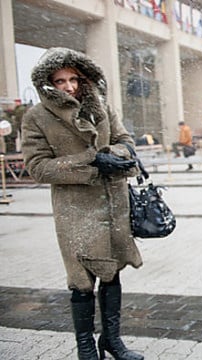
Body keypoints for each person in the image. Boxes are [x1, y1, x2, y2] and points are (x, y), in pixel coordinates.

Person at [21, 47, 144, 360]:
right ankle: (86, 348)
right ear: (47, 83)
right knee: (81, 282)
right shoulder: (37, 117)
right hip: (75, 211)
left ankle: (112, 341)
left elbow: (126, 142)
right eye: (60, 80)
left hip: (113, 206)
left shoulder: (101, 107)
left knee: (113, 273)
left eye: (74, 78)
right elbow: (37, 167)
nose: (69, 86)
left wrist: (114, 157)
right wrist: (91, 160)